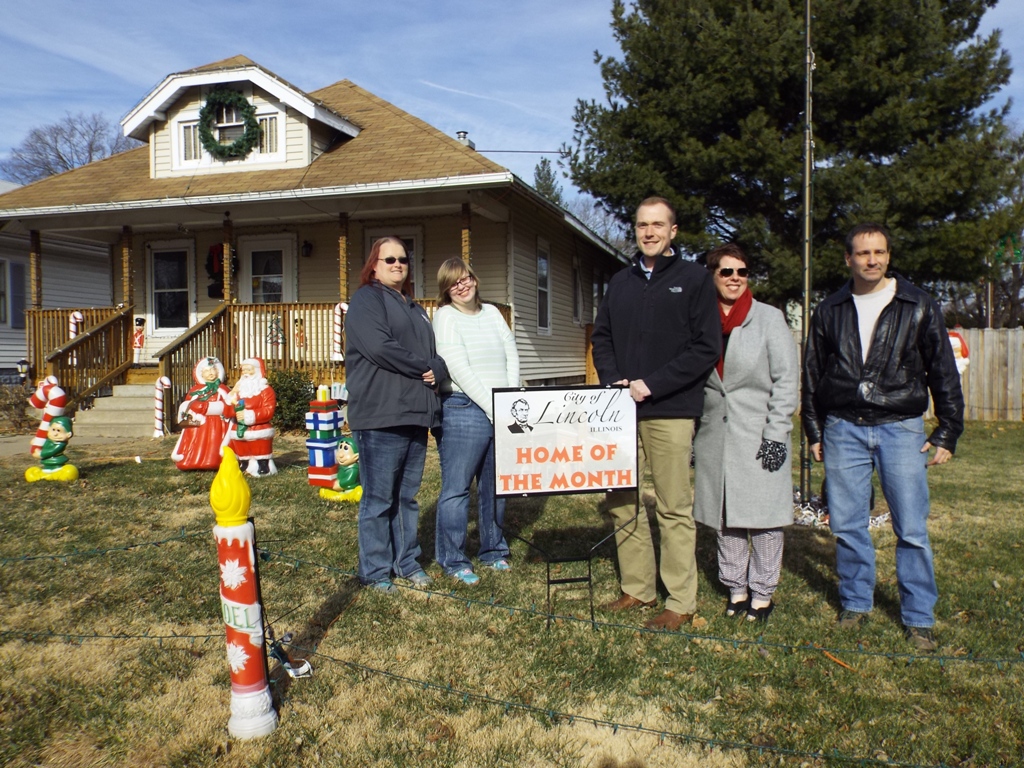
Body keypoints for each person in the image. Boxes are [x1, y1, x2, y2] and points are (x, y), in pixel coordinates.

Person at [803, 223, 964, 652]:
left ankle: (919, 617)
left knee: (911, 527)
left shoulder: (918, 304)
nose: (871, 260)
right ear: (848, 259)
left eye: (878, 252)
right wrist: (815, 430)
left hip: (901, 427)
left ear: (888, 256)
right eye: (862, 253)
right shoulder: (830, 309)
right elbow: (813, 373)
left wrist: (948, 429)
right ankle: (856, 603)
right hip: (843, 427)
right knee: (848, 525)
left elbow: (942, 370)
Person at [590, 196, 721, 631]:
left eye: (658, 225)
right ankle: (638, 588)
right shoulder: (620, 281)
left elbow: (706, 347)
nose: (649, 232)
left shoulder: (694, 279)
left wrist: (654, 383)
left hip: (670, 409)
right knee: (622, 500)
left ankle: (680, 600)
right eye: (642, 225)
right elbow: (602, 337)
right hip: (620, 412)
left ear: (673, 231)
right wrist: (613, 379)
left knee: (673, 506)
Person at [692, 244, 798, 623]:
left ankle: (763, 595)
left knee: (764, 518)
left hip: (760, 435)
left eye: (742, 271)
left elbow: (786, 381)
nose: (735, 278)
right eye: (726, 271)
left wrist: (776, 434)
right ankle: (736, 589)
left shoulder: (768, 319)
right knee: (726, 518)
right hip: (715, 436)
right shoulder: (699, 319)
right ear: (712, 275)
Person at [345, 236, 449, 593]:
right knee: (378, 499)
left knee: (406, 497)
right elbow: (379, 347)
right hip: (381, 414)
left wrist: (437, 368)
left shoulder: (415, 307)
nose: (397, 264)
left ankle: (406, 562)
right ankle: (375, 571)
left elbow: (434, 352)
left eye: (403, 259)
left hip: (415, 413)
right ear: (374, 266)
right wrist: (424, 367)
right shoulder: (367, 300)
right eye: (389, 259)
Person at [432, 258, 520, 586]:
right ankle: (453, 559)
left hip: (500, 408)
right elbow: (458, 368)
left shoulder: (493, 313)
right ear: (446, 290)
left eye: (465, 278)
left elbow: (511, 354)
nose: (462, 285)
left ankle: (493, 550)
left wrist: (510, 399)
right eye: (453, 282)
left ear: (474, 278)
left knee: (495, 486)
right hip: (463, 408)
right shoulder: (445, 317)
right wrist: (494, 408)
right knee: (457, 489)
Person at [172, 356, 232, 471]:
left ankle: (212, 461)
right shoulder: (195, 390)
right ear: (201, 374)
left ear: (218, 371)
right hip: (198, 423)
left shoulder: (223, 389)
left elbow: (229, 404)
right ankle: (192, 460)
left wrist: (209, 407)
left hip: (217, 424)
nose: (210, 373)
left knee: (213, 441)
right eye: (207, 371)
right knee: (194, 440)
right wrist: (191, 409)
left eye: (213, 369)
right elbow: (187, 405)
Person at [228, 357, 278, 477]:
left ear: (257, 371)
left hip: (258, 427)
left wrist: (249, 415)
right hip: (239, 426)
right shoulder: (239, 390)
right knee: (242, 446)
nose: (246, 373)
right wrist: (232, 397)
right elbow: (228, 409)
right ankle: (245, 463)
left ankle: (263, 465)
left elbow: (268, 410)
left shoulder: (265, 390)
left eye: (249, 370)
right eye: (243, 370)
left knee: (259, 446)